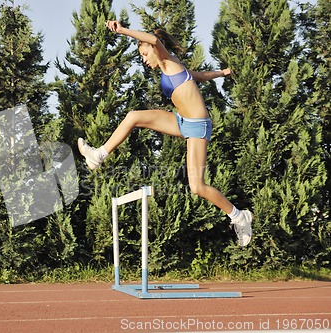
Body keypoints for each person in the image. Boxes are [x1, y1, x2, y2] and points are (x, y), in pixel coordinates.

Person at [78, 20, 252, 246]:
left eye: (144, 54)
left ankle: (239, 217)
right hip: (181, 121)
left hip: (198, 126)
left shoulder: (165, 59)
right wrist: (222, 72)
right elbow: (198, 76)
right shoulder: (172, 65)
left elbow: (153, 40)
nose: (144, 59)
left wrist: (121, 31)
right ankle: (98, 155)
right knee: (133, 116)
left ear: (154, 50)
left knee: (197, 187)